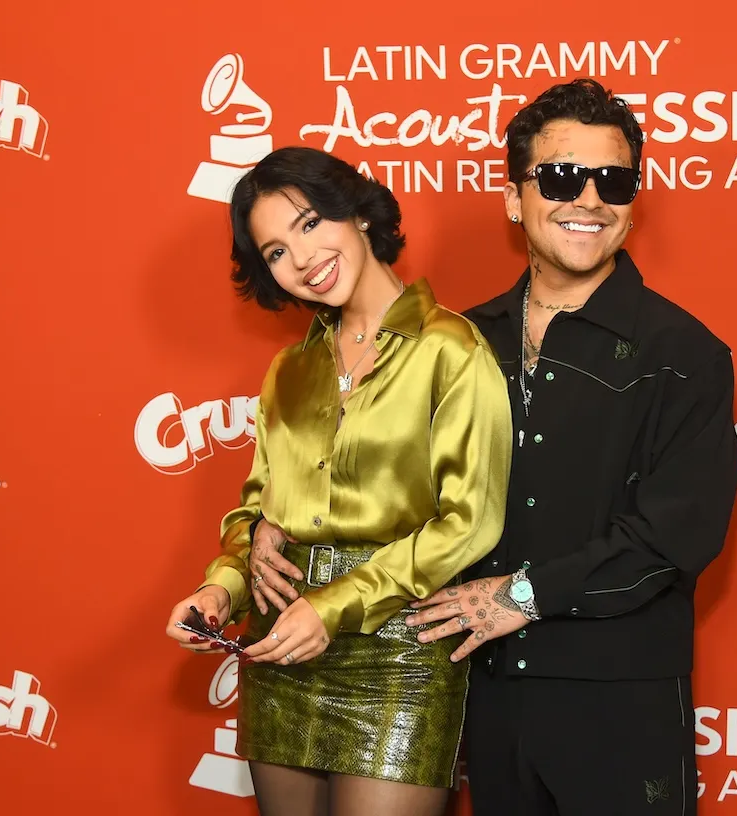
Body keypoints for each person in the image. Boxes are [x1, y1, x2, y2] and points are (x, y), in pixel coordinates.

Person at [405, 79, 737, 815]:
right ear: (513, 197)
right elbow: (391, 485)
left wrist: (519, 596)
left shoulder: (684, 354)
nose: (589, 199)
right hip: (485, 692)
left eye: (613, 181)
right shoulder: (457, 342)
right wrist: (267, 526)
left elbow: (677, 534)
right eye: (561, 176)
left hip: (619, 702)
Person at [164, 145, 513, 816]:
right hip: (281, 644)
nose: (301, 258)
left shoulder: (452, 349)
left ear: (358, 213)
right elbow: (257, 514)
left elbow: (469, 521)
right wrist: (221, 589)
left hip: (399, 646)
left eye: (310, 222)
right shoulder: (289, 371)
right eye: (275, 251)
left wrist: (333, 606)